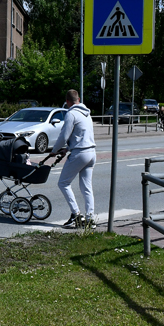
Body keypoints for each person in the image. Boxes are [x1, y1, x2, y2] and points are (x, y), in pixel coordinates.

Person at [49, 89, 97, 230]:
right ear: (79, 99)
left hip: (80, 153)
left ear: (67, 101)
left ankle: (76, 214)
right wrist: (67, 149)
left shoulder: (71, 114)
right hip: (91, 153)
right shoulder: (87, 114)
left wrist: (54, 151)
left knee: (63, 183)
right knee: (87, 187)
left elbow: (64, 136)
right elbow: (81, 136)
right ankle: (90, 219)